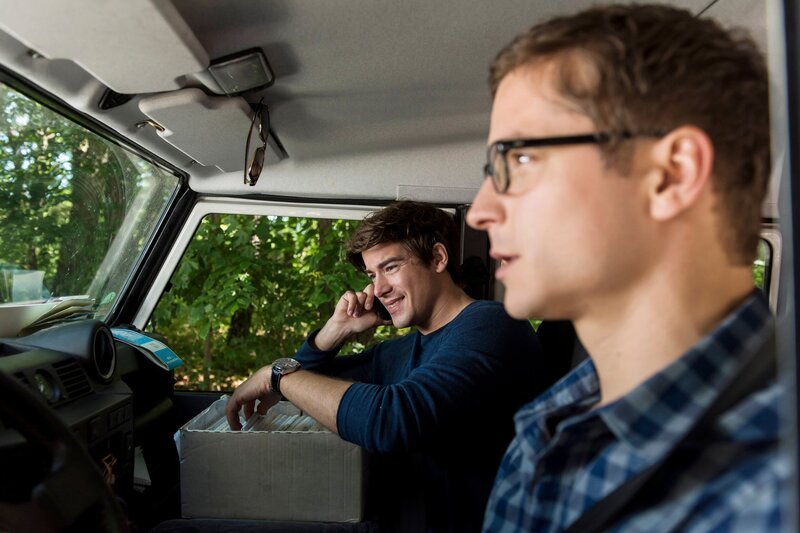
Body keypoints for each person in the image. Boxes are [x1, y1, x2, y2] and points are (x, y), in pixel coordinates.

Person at [466, 4, 787, 531]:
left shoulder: (769, 496)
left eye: (518, 158)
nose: (481, 210)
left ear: (670, 176)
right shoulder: (546, 429)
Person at [227, 200, 550, 532]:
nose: (377, 288)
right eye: (371, 274)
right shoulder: (400, 350)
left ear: (438, 258)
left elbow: (392, 420)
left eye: (391, 267)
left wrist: (275, 376)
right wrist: (335, 331)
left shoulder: (493, 325)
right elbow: (308, 386)